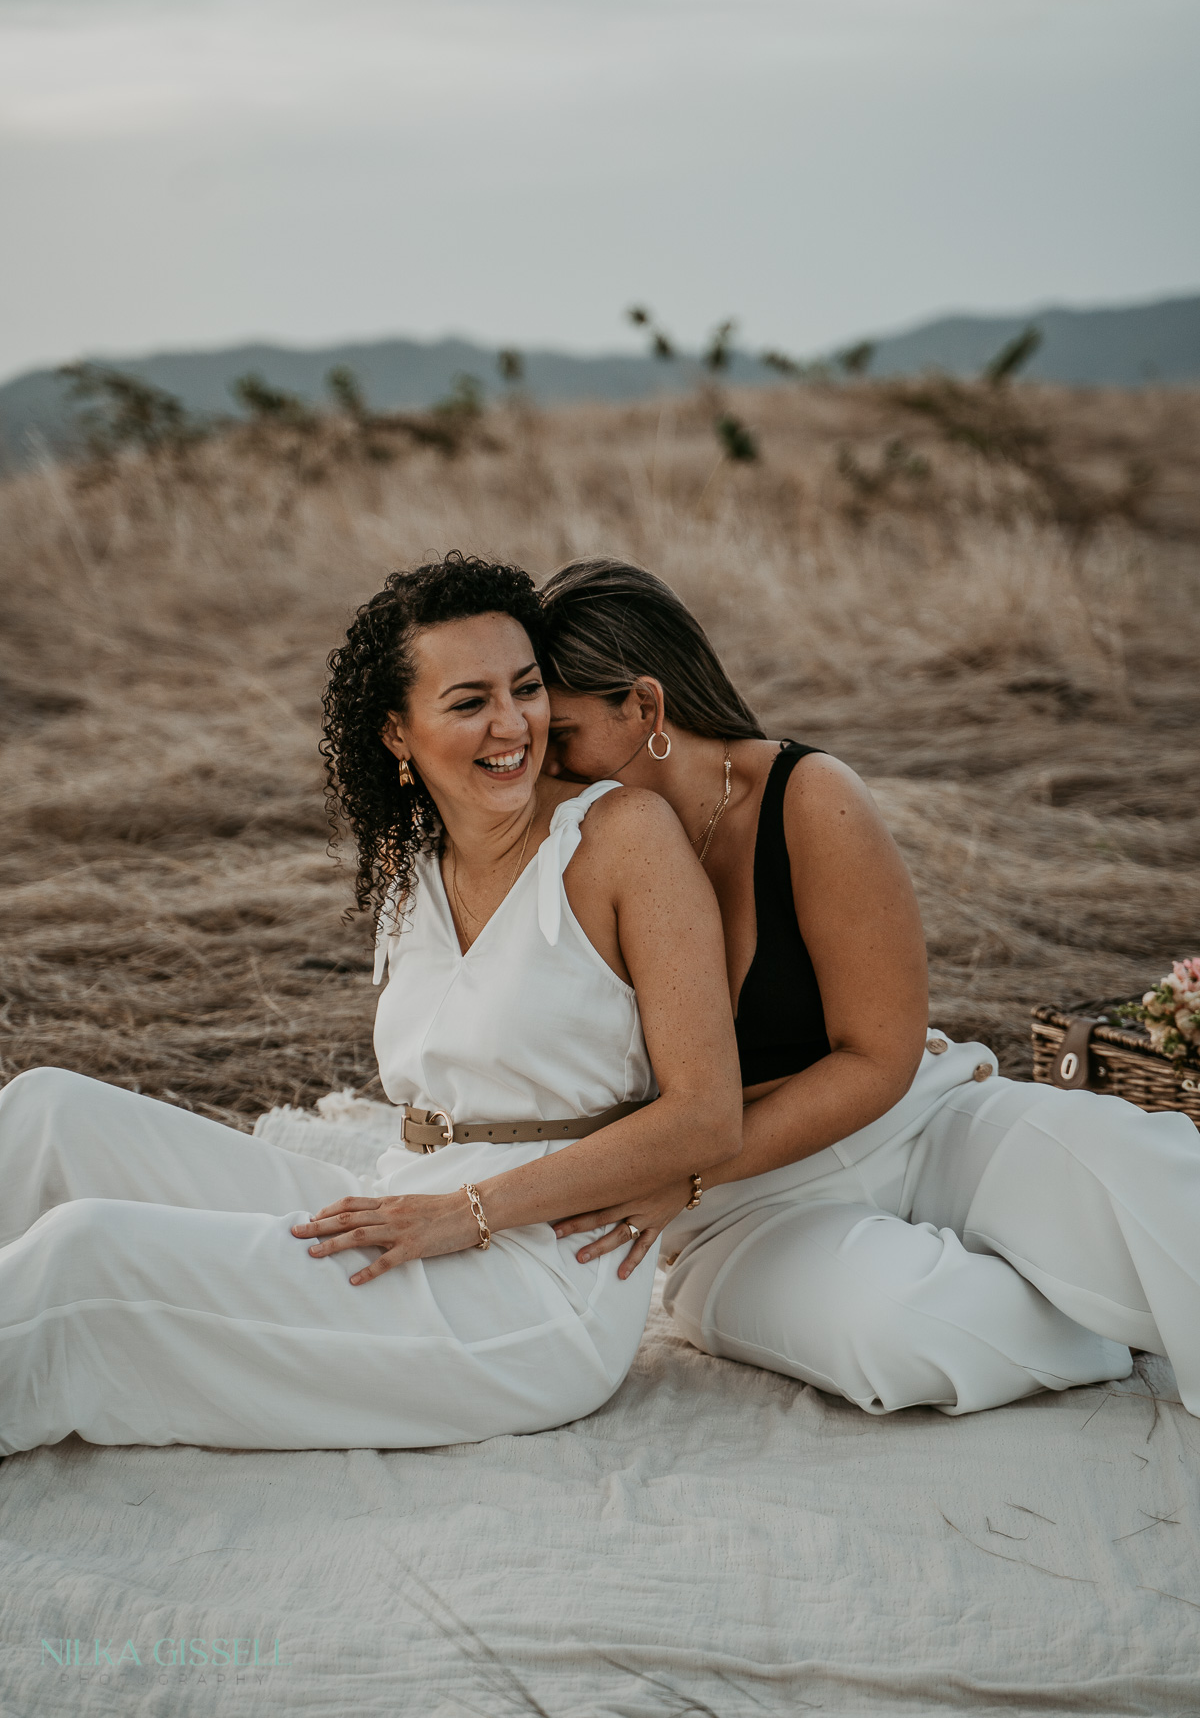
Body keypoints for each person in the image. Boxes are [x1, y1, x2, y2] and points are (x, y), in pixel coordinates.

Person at [0, 554, 741, 1455]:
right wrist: (428, 1207)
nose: (512, 725)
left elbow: (705, 1117)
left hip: (536, 1282)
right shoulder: (410, 863)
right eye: (469, 702)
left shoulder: (623, 837)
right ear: (398, 733)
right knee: (47, 1111)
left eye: (526, 689)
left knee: (88, 1256)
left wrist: (466, 1212)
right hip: (404, 1200)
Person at [540, 556, 1200, 1418]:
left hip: (915, 1120)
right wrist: (680, 1184)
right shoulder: (565, 843)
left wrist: (686, 1177)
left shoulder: (808, 797)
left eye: (561, 735)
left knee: (1144, 1168)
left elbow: (879, 1055)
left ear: (646, 707)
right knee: (900, 1325)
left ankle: (1095, 1271)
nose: (545, 765)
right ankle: (1095, 1318)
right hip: (744, 1210)